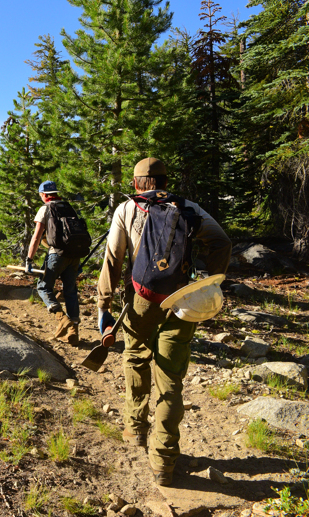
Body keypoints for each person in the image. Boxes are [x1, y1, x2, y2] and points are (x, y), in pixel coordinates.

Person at [96, 157, 232, 486]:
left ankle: (134, 429)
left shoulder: (127, 210)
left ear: (137, 183)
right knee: (170, 381)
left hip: (141, 298)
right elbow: (222, 243)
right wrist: (207, 282)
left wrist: (104, 306)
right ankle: (164, 462)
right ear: (164, 179)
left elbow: (113, 260)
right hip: (182, 301)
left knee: (136, 355)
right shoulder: (189, 208)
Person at [25, 180, 83, 344]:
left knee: (43, 287)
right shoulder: (68, 207)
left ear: (43, 195)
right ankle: (73, 331)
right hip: (74, 255)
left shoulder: (46, 208)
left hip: (56, 254)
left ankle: (62, 318)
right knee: (70, 291)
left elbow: (37, 237)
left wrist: (29, 259)